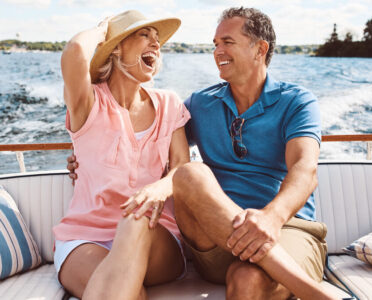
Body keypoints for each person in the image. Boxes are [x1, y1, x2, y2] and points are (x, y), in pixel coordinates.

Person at [67, 7, 339, 300]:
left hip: (286, 226)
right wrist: (85, 158)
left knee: (247, 280)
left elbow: (304, 169)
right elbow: (149, 142)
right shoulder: (200, 103)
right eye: (215, 44)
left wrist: (271, 218)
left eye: (227, 42)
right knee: (190, 173)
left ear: (260, 49)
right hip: (214, 239)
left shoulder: (297, 102)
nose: (217, 51)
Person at [53, 10, 191, 300]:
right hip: (85, 237)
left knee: (137, 218)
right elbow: (76, 51)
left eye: (158, 41)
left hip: (155, 234)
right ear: (116, 47)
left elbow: (181, 166)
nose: (156, 45)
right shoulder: (88, 103)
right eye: (144, 35)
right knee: (130, 294)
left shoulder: (170, 104)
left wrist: (159, 187)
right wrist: (104, 30)